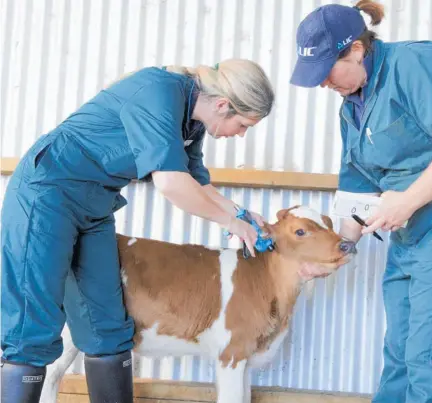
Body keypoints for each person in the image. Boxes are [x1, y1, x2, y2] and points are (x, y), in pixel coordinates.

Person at [1, 59, 275, 402]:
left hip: (94, 208)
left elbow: (195, 183)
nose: (241, 134)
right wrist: (229, 223)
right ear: (223, 105)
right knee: (31, 326)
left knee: (108, 327)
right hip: (47, 196)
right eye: (244, 124)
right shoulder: (159, 92)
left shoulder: (192, 122)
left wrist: (241, 213)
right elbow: (172, 184)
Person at [290, 1, 432, 402]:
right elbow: (357, 193)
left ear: (357, 50)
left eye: (327, 71)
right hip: (408, 240)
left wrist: (406, 202)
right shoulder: (352, 106)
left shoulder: (417, 64)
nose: (323, 84)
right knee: (399, 358)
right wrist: (336, 253)